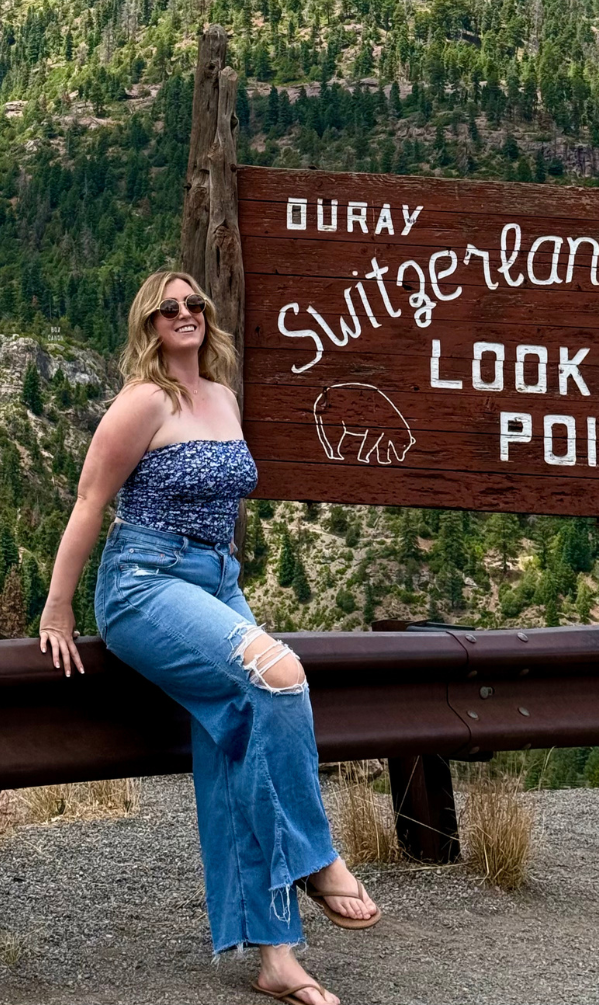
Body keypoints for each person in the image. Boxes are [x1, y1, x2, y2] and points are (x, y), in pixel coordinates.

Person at [38, 269, 378, 1005]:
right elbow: (91, 500)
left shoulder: (221, 396)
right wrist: (58, 608)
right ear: (150, 324)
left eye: (194, 304)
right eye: (169, 308)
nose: (185, 313)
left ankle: (277, 958)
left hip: (218, 582)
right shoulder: (143, 402)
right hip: (145, 585)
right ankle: (317, 860)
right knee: (282, 677)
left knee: (241, 747)